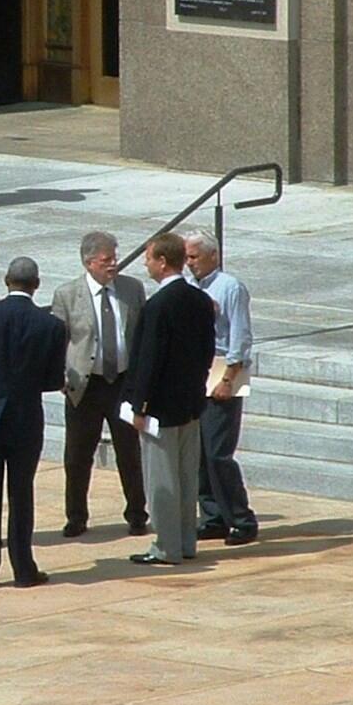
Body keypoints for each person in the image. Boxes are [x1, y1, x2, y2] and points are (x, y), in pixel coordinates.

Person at [0, 256, 67, 588]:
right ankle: (23, 569)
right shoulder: (51, 325)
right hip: (24, 420)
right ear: (36, 285)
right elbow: (52, 380)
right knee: (21, 495)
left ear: (6, 281)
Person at [49, 231, 149, 538]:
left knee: (129, 452)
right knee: (78, 455)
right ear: (89, 262)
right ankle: (76, 516)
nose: (113, 265)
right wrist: (61, 378)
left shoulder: (132, 289)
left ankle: (136, 514)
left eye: (115, 258)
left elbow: (141, 335)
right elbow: (57, 341)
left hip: (122, 382)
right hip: (85, 385)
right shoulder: (67, 294)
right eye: (106, 260)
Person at [123, 233, 215, 566]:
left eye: (149, 259)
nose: (146, 265)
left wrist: (139, 406)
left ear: (163, 262)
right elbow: (207, 352)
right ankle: (186, 541)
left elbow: (149, 360)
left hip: (160, 409)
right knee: (186, 476)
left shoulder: (158, 305)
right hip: (190, 404)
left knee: (162, 480)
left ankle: (166, 546)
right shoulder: (199, 299)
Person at [185, 229, 259, 546]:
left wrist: (228, 378)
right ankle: (212, 515)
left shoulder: (230, 288)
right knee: (199, 452)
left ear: (213, 256)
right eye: (187, 257)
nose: (190, 264)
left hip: (223, 370)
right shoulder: (190, 287)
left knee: (218, 452)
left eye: (194, 257)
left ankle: (241, 518)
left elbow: (240, 338)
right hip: (197, 372)